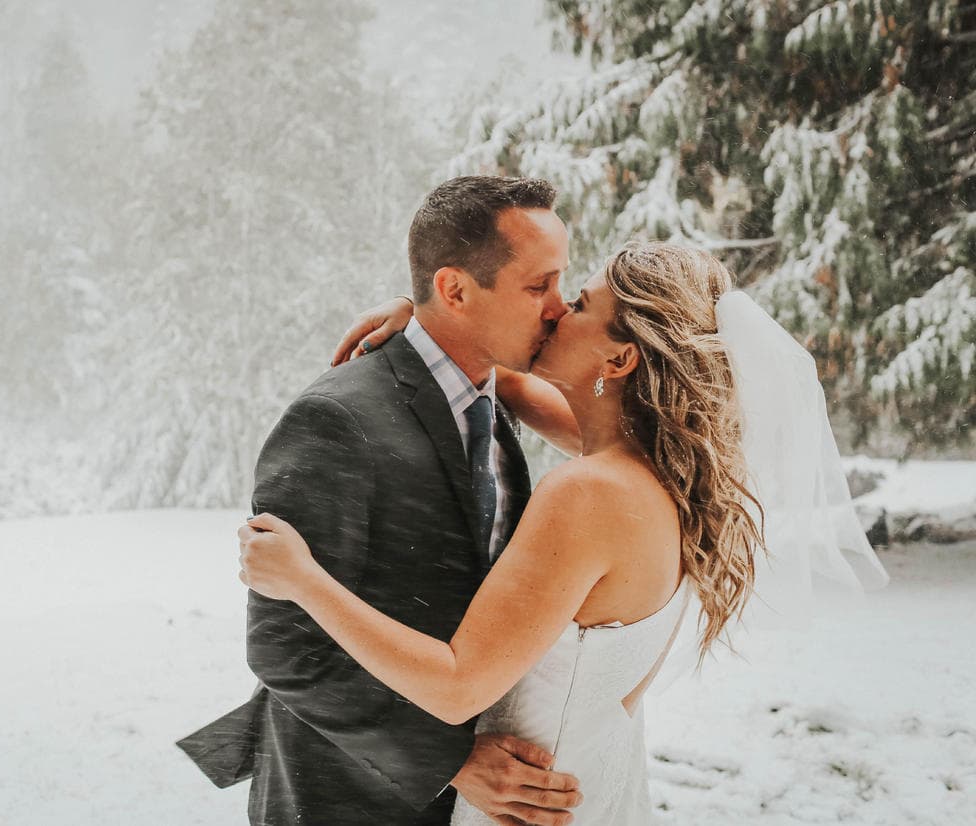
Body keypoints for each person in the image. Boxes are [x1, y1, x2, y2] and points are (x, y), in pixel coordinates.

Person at [238, 242, 888, 825]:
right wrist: (432, 317)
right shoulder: (668, 473)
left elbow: (460, 683)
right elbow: (518, 387)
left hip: (524, 800)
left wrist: (303, 581)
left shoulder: (588, 495)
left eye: (579, 303)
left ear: (621, 355)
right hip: (595, 781)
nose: (554, 312)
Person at [178, 176, 586, 825]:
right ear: (454, 288)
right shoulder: (336, 421)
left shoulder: (492, 400)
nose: (559, 308)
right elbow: (285, 648)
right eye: (539, 286)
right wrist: (449, 760)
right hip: (344, 801)